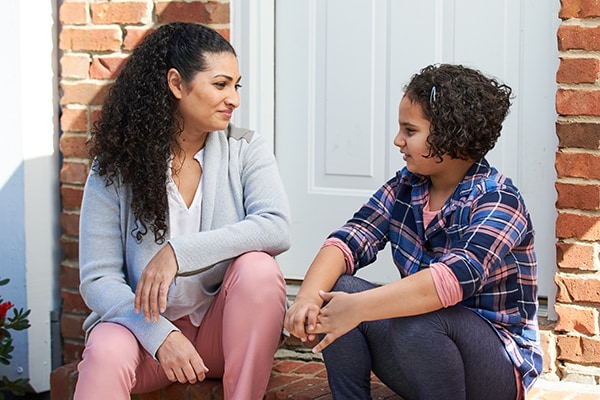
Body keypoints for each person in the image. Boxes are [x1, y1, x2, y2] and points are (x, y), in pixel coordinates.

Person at [284, 64, 542, 400]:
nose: (398, 140)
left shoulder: (498, 200)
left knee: (417, 320)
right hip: (423, 353)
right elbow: (350, 238)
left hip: (494, 370)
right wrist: (306, 297)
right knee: (334, 290)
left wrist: (359, 307)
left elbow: (452, 279)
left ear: (453, 136)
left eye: (410, 130)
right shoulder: (405, 187)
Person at [74, 22, 291, 400]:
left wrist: (178, 253)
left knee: (258, 269)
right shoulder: (118, 163)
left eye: (236, 86)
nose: (234, 99)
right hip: (146, 339)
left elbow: (275, 227)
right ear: (176, 84)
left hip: (219, 336)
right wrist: (161, 335)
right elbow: (99, 278)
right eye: (221, 85)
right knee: (106, 350)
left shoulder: (245, 149)